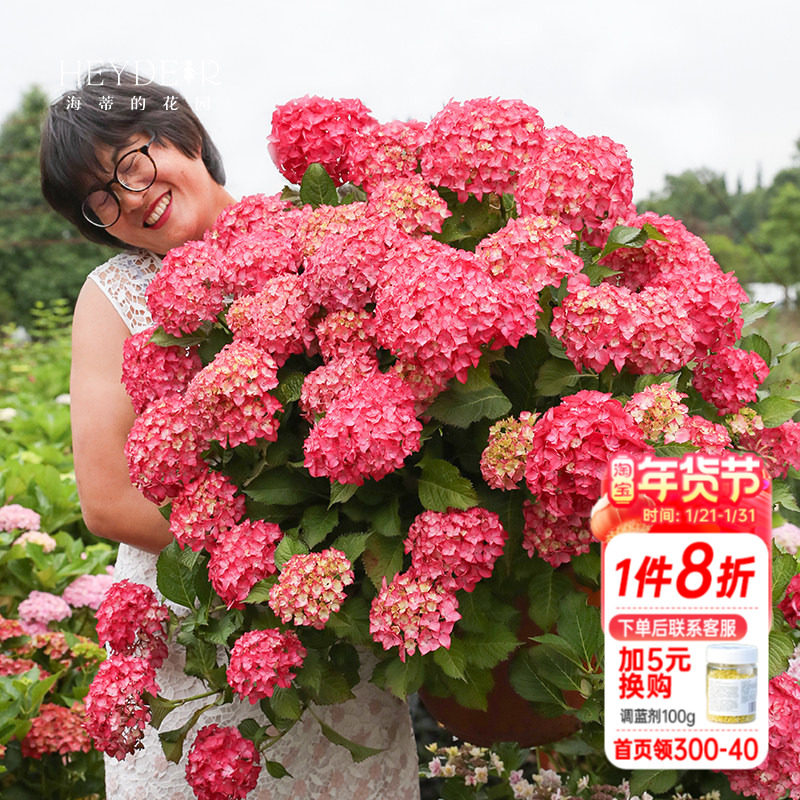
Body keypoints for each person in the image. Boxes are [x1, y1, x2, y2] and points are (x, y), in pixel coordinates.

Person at [40, 68, 420, 800]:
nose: (129, 198)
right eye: (100, 199)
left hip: (339, 638)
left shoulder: (316, 229)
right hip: (206, 638)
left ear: (181, 134)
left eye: (131, 163)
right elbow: (109, 502)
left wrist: (343, 565)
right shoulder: (115, 295)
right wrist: (287, 565)